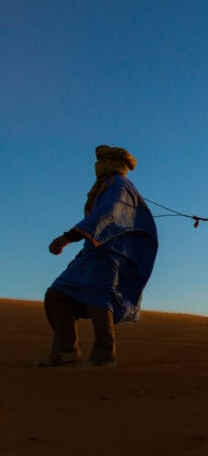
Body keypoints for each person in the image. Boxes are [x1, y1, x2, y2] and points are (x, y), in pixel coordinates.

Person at [36, 145, 159, 368]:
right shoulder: (108, 185)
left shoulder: (119, 185)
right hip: (93, 251)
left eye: (101, 161)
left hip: (110, 252)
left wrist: (67, 238)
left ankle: (104, 356)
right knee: (58, 295)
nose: (97, 166)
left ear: (110, 163)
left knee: (99, 298)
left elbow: (108, 214)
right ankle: (66, 351)